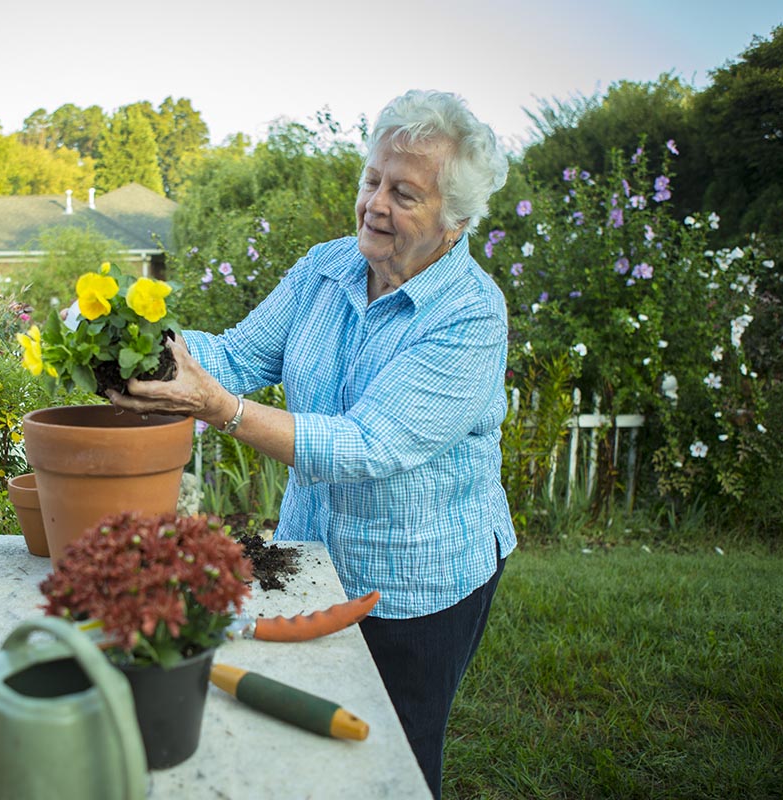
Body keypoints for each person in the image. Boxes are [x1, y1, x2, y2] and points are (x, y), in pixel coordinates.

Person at [108, 89, 515, 800]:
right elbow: (237, 356)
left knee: (392, 758)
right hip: (312, 554)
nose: (375, 205)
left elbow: (369, 445)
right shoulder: (326, 268)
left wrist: (223, 410)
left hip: (418, 578)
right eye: (372, 180)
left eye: (404, 194)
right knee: (305, 743)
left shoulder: (470, 315)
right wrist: (145, 349)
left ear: (455, 220)